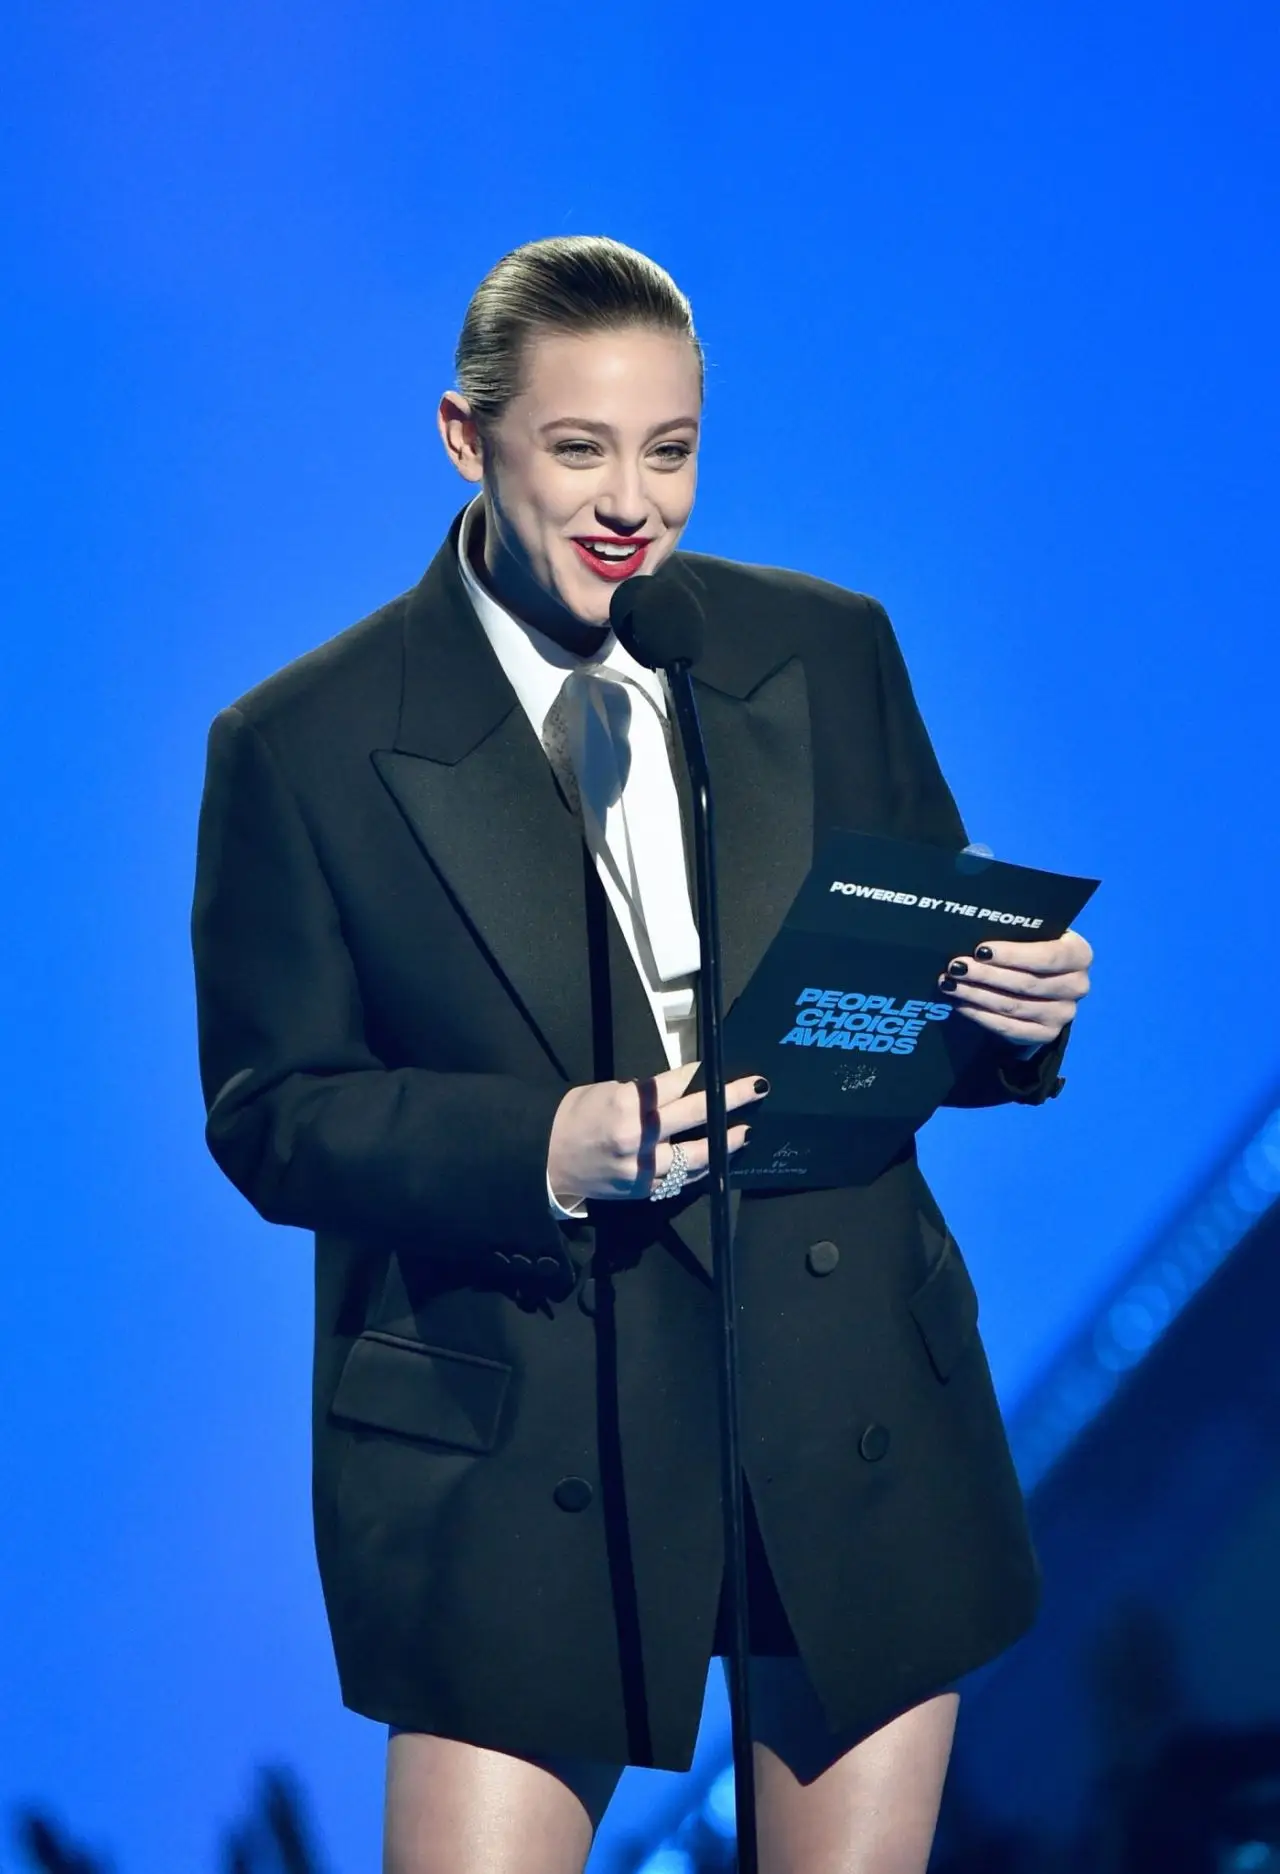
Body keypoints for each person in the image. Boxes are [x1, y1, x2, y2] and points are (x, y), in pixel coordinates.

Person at [190, 236, 1093, 1874]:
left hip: (839, 1394)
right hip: (526, 1420)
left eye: (669, 449)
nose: (635, 501)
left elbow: (901, 1002)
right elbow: (274, 1114)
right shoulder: (302, 745)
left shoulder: (819, 650)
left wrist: (1007, 1018)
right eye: (581, 447)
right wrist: (545, 1145)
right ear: (467, 439)